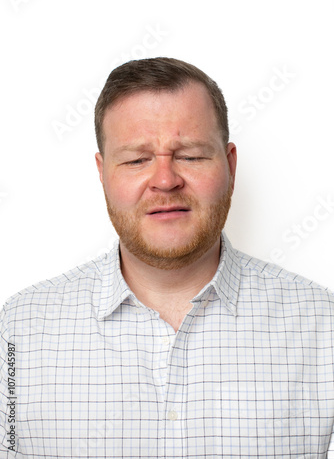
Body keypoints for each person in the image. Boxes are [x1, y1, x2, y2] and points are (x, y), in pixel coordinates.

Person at [0, 57, 333, 458]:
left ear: (230, 166)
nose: (165, 180)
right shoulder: (17, 330)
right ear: (103, 173)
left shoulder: (323, 329)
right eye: (137, 160)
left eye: (190, 155)